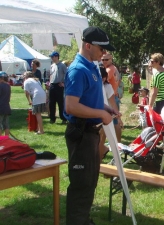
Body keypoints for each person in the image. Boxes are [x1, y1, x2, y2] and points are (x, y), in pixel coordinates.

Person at [63, 26, 118, 225]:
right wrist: (101, 113)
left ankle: (83, 220)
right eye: (101, 49)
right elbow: (71, 106)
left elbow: (87, 99)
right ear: (88, 45)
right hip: (81, 133)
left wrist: (105, 108)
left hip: (91, 134)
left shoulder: (92, 66)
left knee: (89, 182)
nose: (104, 53)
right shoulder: (78, 70)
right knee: (81, 185)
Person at [98, 66, 122, 161]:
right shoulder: (93, 86)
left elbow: (113, 103)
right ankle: (102, 152)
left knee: (101, 137)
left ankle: (100, 158)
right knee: (98, 139)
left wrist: (118, 117)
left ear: (103, 78)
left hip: (106, 115)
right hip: (96, 114)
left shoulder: (107, 87)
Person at [101, 53, 122, 142]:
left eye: (106, 59)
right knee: (114, 122)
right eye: (103, 60)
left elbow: (104, 82)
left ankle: (117, 143)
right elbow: (119, 80)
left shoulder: (109, 70)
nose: (104, 61)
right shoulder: (114, 68)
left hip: (110, 98)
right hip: (112, 96)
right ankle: (118, 142)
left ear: (111, 59)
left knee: (113, 122)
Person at [49, 51, 67, 124]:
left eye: (53, 57)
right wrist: (49, 82)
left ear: (56, 57)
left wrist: (63, 83)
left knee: (60, 102)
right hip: (52, 85)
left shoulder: (62, 65)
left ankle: (63, 118)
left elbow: (67, 74)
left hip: (59, 86)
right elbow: (51, 75)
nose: (52, 58)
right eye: (51, 57)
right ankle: (52, 118)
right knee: (51, 102)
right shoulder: (52, 65)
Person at [0, 71, 11, 136]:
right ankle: (7, 139)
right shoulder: (8, 86)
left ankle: (0, 140)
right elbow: (9, 98)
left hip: (0, 107)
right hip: (6, 107)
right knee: (6, 124)